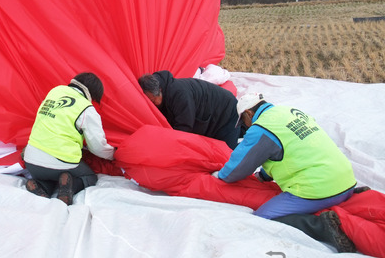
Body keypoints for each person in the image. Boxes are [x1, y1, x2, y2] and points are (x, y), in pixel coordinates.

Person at [213, 92, 358, 252]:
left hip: (321, 189)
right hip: (347, 180)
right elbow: (293, 150)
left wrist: (220, 175)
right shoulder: (290, 112)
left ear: (249, 113)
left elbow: (236, 169)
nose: (245, 126)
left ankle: (322, 227)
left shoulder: (261, 127)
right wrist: (263, 175)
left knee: (262, 219)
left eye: (244, 122)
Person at [22, 72, 115, 205]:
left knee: (50, 176)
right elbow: (97, 147)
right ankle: (68, 188)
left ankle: (40, 186)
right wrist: (114, 155)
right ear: (93, 94)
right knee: (89, 176)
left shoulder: (55, 91)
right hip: (60, 161)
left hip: (31, 161)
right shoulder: (86, 108)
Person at [138, 71, 240, 149]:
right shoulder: (163, 94)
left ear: (160, 90)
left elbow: (184, 127)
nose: (153, 105)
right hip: (210, 115)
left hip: (227, 111)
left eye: (153, 101)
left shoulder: (179, 94)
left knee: (226, 154)